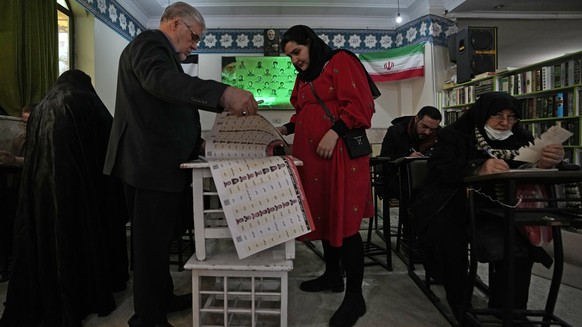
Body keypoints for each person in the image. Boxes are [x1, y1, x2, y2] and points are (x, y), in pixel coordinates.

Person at [102, 2, 259, 327]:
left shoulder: (163, 54)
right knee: (148, 246)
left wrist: (199, 143)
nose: (195, 45)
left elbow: (166, 109)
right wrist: (223, 94)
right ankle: (147, 317)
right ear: (175, 23)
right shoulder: (149, 43)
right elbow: (160, 82)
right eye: (195, 36)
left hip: (158, 165)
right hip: (148, 165)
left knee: (160, 241)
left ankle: (162, 297)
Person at [411, 91, 564, 321]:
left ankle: (510, 308)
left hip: (502, 205)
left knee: (519, 246)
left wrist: (545, 162)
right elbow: (440, 167)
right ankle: (460, 301)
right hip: (456, 201)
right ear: (482, 114)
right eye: (497, 116)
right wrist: (476, 168)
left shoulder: (520, 136)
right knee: (451, 239)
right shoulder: (456, 134)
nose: (505, 123)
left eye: (511, 117)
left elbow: (525, 166)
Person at [0, 69, 129, 326]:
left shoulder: (44, 105)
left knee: (48, 241)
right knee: (78, 239)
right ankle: (83, 295)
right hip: (79, 190)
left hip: (42, 191)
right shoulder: (86, 100)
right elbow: (109, 144)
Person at [277, 25, 379, 327]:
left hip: (339, 157)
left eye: (297, 52)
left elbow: (361, 106)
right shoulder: (304, 78)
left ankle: (355, 297)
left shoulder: (340, 61)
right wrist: (286, 128)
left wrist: (334, 133)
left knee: (345, 222)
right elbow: (302, 113)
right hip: (313, 160)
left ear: (310, 43)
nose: (294, 60)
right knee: (323, 215)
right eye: (289, 57)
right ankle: (333, 276)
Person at [379, 106, 441, 199]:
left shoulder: (439, 135)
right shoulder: (396, 131)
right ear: (416, 119)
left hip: (428, 177)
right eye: (424, 126)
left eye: (432, 129)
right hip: (399, 176)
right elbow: (385, 158)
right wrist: (407, 157)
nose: (427, 132)